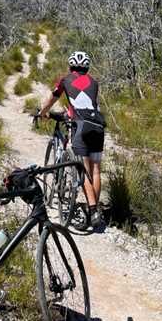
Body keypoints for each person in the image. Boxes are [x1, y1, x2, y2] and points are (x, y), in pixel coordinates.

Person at [39, 51, 106, 228]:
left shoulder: (65, 80)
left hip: (81, 126)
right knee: (96, 171)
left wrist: (42, 113)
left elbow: (51, 100)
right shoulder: (94, 82)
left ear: (70, 67)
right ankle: (95, 210)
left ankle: (92, 211)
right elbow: (87, 102)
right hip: (98, 126)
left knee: (82, 170)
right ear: (87, 67)